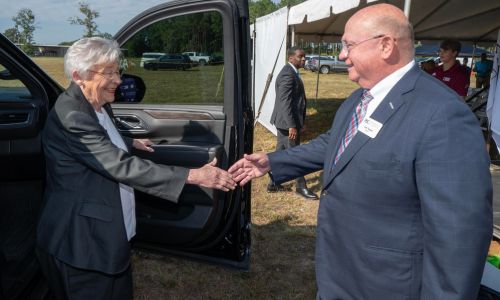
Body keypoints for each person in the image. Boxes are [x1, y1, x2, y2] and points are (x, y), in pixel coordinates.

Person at [229, 4, 492, 299]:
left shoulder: (443, 114)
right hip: (340, 274)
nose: (341, 55)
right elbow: (334, 143)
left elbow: (458, 238)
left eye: (348, 45)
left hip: (386, 285)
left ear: (386, 46)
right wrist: (272, 160)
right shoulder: (359, 98)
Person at [36, 37, 236, 300]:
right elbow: (118, 165)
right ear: (79, 75)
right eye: (109, 72)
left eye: (117, 70)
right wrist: (194, 175)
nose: (118, 80)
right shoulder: (71, 114)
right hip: (83, 248)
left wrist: (129, 141)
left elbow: (98, 139)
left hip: (105, 241)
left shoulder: (95, 102)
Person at [268, 47, 318, 200]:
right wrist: (292, 125)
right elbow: (285, 102)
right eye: (300, 57)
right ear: (290, 58)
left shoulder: (291, 72)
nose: (304, 59)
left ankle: (273, 183)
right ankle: (301, 186)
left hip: (285, 121)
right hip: (286, 122)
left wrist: (300, 121)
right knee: (296, 154)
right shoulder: (287, 75)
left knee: (281, 151)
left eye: (304, 57)